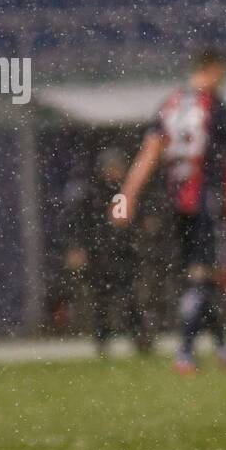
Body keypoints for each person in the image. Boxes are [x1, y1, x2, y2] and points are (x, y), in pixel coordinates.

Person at [115, 47, 226, 373]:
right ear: (211, 70)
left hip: (175, 203)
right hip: (206, 201)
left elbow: (150, 151)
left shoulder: (169, 104)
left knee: (200, 277)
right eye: (221, 74)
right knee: (203, 277)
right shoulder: (215, 106)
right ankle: (185, 353)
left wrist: (127, 195)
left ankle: (224, 351)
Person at [65, 147, 150, 355]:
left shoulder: (125, 193)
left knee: (129, 298)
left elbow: (133, 222)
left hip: (122, 253)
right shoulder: (91, 193)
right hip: (99, 254)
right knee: (101, 299)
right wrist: (79, 248)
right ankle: (102, 339)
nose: (115, 172)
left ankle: (139, 337)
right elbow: (80, 223)